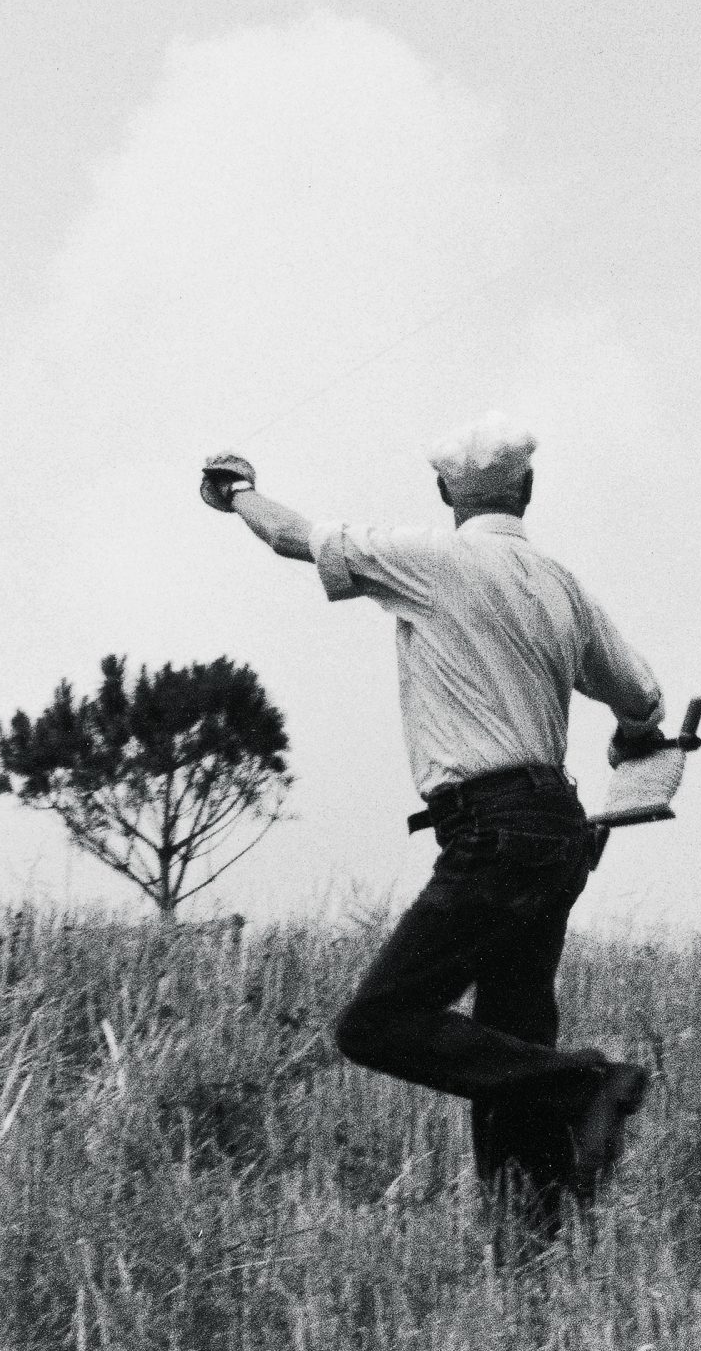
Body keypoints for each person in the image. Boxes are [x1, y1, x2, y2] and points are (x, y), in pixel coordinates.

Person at [200, 414, 661, 1230]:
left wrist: (237, 490)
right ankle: (533, 1252)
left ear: (446, 491)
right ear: (527, 488)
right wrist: (634, 739)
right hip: (561, 833)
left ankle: (584, 1083)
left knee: (377, 1023)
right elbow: (640, 697)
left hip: (489, 829)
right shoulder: (561, 584)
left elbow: (291, 537)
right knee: (508, 1043)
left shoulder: (428, 559)